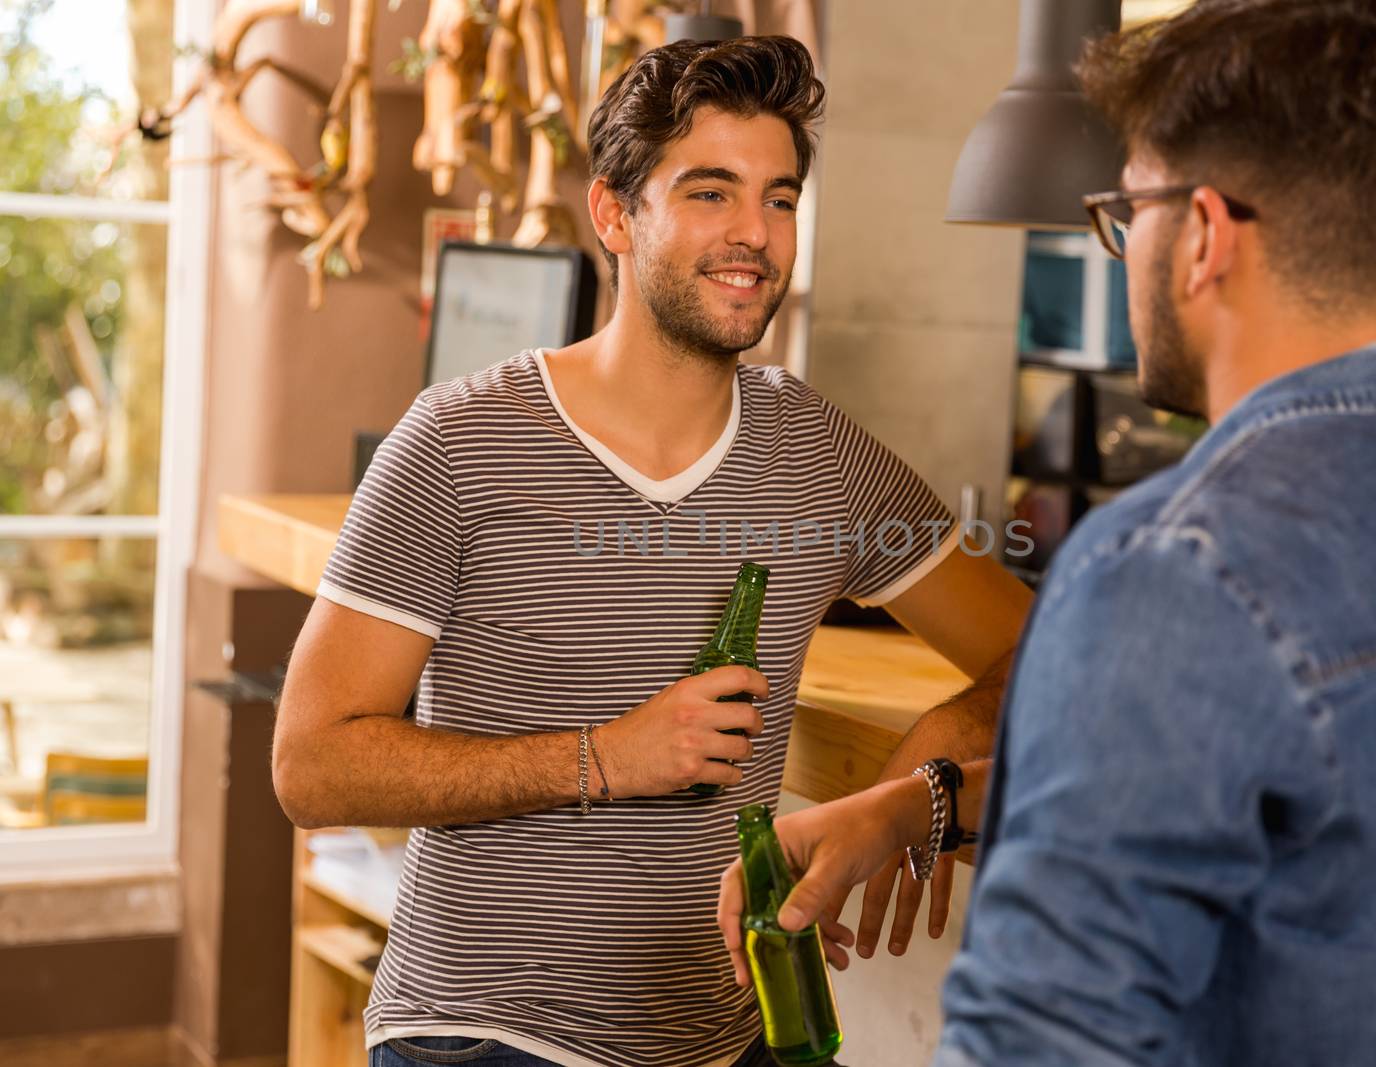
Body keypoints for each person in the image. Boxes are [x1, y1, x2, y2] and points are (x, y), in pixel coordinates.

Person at [718, 3, 1376, 1065]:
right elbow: (1293, 815)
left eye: (1124, 210)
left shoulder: (1172, 565)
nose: (1119, 249)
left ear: (1205, 235)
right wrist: (926, 803)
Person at [271, 34, 1033, 1067]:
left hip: (728, 1036)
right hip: (486, 1033)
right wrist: (604, 758)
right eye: (711, 193)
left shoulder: (817, 454)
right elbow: (311, 763)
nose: (754, 235)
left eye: (779, 198)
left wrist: (909, 784)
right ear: (615, 214)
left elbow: (1047, 644)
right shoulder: (456, 441)